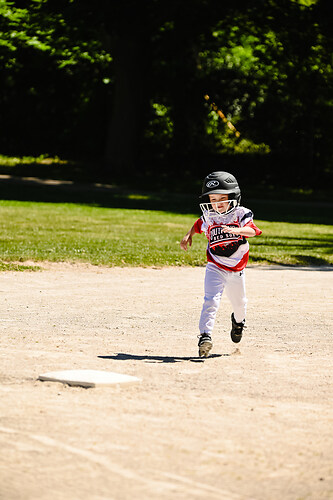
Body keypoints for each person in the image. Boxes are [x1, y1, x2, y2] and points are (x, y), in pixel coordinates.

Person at [180, 171, 262, 357]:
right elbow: (198, 224)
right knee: (210, 300)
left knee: (240, 304)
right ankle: (205, 336)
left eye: (222, 199)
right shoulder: (209, 216)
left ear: (233, 197)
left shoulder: (241, 213)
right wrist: (188, 235)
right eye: (213, 198)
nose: (217, 203)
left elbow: (253, 230)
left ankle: (238, 322)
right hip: (215, 266)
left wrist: (237, 230)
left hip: (236, 270)